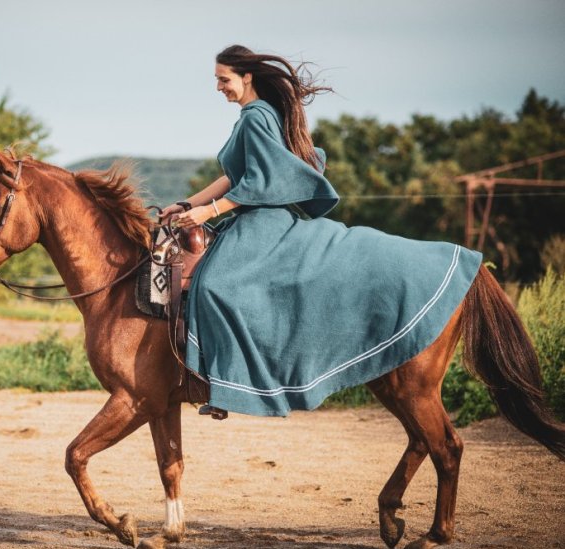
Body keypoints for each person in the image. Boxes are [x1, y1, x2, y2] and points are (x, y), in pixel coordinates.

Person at [160, 45, 482, 418]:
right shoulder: (260, 114)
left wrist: (208, 212)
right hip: (252, 218)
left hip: (264, 222)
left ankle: (232, 383)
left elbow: (262, 181)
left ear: (247, 76)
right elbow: (235, 176)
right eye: (217, 80)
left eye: (224, 79)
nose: (219, 87)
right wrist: (186, 205)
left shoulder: (255, 117)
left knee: (214, 284)